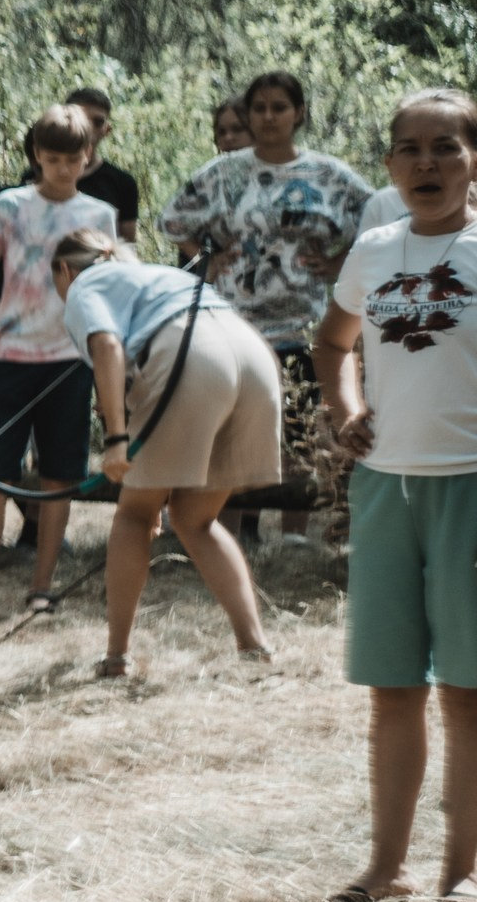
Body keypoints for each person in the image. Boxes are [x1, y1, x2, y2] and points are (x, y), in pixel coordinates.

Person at [312, 87, 477, 902]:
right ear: (389, 163)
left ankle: (464, 869)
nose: (427, 163)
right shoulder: (374, 248)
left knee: (469, 690)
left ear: (474, 161)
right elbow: (333, 341)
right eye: (410, 148)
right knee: (394, 687)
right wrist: (346, 409)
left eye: (446, 147)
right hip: (386, 489)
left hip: (470, 488)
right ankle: (387, 869)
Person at [160, 70, 378, 548]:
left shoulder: (328, 174)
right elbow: (173, 217)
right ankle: (227, 529)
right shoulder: (225, 171)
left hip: (303, 320)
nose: (268, 116)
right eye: (259, 108)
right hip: (234, 319)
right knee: (233, 427)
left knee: (301, 426)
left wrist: (339, 260)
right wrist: (210, 256)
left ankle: (295, 531)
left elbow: (380, 219)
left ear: (299, 113)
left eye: (279, 107)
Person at [52, 230, 279, 677]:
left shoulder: (84, 284)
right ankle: (256, 649)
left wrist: (117, 440)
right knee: (196, 520)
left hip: (190, 356)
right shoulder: (152, 275)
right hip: (253, 358)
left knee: (135, 515)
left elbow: (107, 347)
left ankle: (117, 657)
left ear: (64, 270)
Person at [0, 105, 120, 631]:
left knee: (59, 474)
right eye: (51, 157)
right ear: (36, 156)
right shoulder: (8, 205)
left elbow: (108, 288)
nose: (62, 168)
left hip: (72, 359)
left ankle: (42, 587)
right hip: (12, 355)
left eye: (73, 158)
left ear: (89, 157)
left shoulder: (100, 215)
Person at [63, 86, 142, 245]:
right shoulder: (37, 176)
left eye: (97, 122)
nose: (89, 127)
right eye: (81, 118)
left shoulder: (122, 183)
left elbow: (127, 246)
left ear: (107, 130)